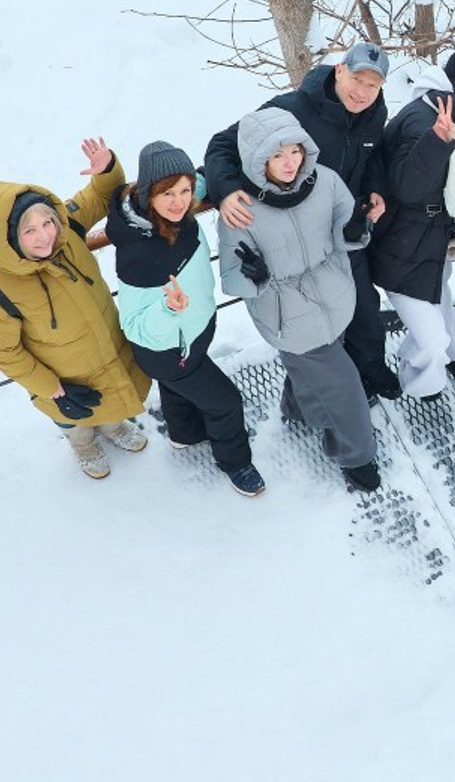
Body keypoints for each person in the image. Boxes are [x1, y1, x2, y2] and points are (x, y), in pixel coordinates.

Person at [203, 41, 399, 402]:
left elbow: (373, 158)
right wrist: (225, 190)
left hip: (343, 229)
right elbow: (223, 145)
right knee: (314, 326)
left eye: (373, 85)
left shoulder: (374, 114)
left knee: (364, 308)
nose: (362, 92)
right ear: (339, 70)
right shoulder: (293, 109)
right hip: (296, 236)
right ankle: (317, 398)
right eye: (357, 79)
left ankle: (371, 369)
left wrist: (376, 189)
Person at [218, 109, 381, 491]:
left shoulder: (325, 181)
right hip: (287, 315)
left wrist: (355, 229)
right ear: (259, 159)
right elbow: (232, 276)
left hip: (335, 295)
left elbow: (345, 230)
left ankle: (297, 407)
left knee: (320, 374)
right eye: (277, 155)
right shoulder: (241, 208)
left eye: (294, 151)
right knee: (345, 385)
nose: (289, 162)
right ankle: (356, 455)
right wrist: (255, 275)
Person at [108, 141, 265, 497]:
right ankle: (236, 464)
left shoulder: (177, 207)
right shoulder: (138, 254)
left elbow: (207, 175)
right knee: (225, 403)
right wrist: (167, 310)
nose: (180, 202)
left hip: (190, 335)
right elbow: (135, 327)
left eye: (185, 191)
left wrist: (228, 185)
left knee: (176, 389)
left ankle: (185, 433)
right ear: (148, 194)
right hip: (169, 351)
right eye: (168, 194)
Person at [0, 139, 150, 479]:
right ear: (8, 238)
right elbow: (6, 352)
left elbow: (100, 196)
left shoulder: (67, 231)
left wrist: (106, 169)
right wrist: (52, 389)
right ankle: (83, 446)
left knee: (112, 399)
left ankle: (114, 427)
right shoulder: (4, 284)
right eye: (29, 231)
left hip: (107, 349)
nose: (45, 237)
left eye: (47, 223)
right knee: (75, 421)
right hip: (63, 380)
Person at [369, 35, 455, 402]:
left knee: (440, 299)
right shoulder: (424, 119)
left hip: (432, 239)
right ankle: (422, 378)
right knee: (431, 335)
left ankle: (454, 350)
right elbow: (406, 186)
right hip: (402, 246)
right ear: (453, 78)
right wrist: (437, 141)